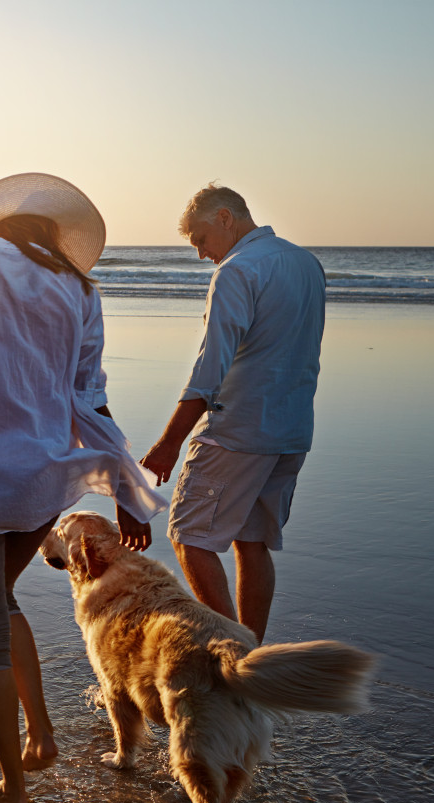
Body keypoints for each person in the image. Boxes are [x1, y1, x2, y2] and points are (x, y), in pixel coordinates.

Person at [0, 173, 165, 803]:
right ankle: (42, 735)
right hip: (43, 484)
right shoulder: (80, 289)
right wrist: (126, 490)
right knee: (0, 598)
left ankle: (16, 790)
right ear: (55, 237)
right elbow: (91, 397)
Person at [139, 184, 326, 644]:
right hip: (291, 429)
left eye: (200, 240)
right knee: (252, 542)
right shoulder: (307, 263)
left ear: (225, 218)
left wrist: (169, 442)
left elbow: (210, 368)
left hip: (237, 430)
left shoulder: (237, 270)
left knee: (189, 537)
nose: (202, 253)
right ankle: (254, 658)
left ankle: (233, 654)